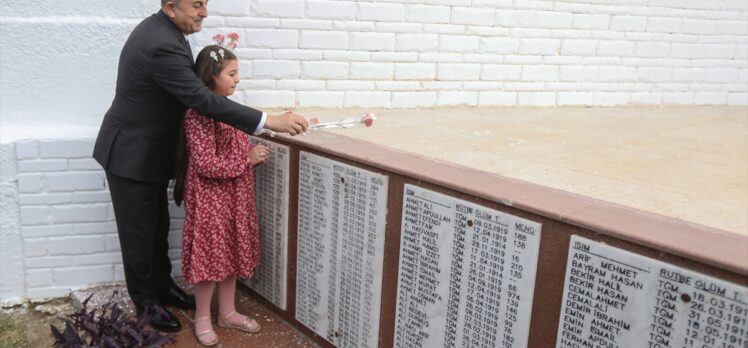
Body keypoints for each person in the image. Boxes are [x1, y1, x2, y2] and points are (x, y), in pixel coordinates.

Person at [92, 0, 308, 333]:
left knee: (157, 226)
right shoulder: (160, 43)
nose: (204, 11)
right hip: (130, 153)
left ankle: (162, 287)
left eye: (205, 3)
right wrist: (267, 121)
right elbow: (200, 97)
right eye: (197, 4)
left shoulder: (171, 32)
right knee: (139, 234)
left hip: (148, 153)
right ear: (170, 7)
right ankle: (147, 305)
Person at [173, 44, 265, 347]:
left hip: (233, 198)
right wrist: (247, 160)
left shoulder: (227, 109)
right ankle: (202, 316)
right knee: (209, 256)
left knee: (230, 253)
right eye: (232, 73)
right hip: (211, 200)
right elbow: (205, 163)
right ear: (212, 76)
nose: (237, 79)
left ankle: (228, 312)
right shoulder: (199, 115)